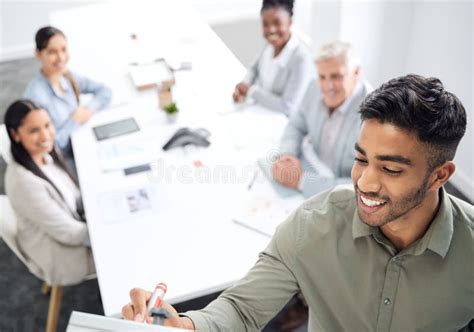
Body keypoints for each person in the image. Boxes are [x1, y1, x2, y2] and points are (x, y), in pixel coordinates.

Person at [122, 74, 473, 331]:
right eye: (361, 159)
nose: (364, 182)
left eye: (391, 169)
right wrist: (186, 326)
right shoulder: (312, 223)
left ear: (440, 176)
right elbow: (241, 310)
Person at [4, 100, 94, 286]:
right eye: (34, 130)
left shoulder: (45, 154)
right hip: (63, 256)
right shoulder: (24, 182)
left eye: (47, 125)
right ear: (15, 134)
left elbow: (74, 197)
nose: (46, 135)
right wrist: (104, 233)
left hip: (76, 224)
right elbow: (68, 233)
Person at [271, 41, 372, 198]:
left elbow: (363, 184)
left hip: (338, 196)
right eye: (322, 77)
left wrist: (302, 182)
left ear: (356, 73)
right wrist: (288, 156)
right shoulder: (313, 86)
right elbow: (296, 124)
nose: (327, 86)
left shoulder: (375, 117)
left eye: (336, 76)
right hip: (312, 167)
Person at [23, 26, 112, 158]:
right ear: (38, 54)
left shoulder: (67, 76)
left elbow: (105, 92)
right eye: (52, 52)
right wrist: (75, 121)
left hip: (84, 140)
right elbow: (48, 147)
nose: (61, 58)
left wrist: (88, 110)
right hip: (66, 157)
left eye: (64, 49)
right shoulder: (36, 98)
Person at [232, 0, 315, 116]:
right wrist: (242, 87)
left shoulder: (301, 59)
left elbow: (288, 106)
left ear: (290, 22)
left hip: (284, 123)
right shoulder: (269, 44)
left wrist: (250, 91)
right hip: (263, 113)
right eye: (265, 24)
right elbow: (254, 68)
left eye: (277, 23)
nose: (271, 30)